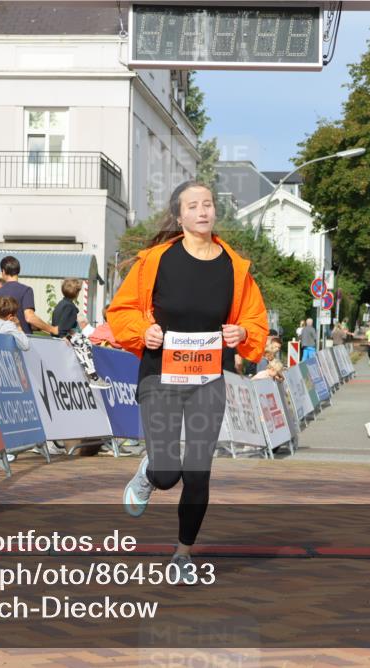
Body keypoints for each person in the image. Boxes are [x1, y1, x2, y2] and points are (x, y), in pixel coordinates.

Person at [107, 180, 268, 584]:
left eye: (208, 204)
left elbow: (254, 319)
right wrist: (144, 331)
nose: (202, 211)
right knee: (167, 473)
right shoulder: (156, 261)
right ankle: (148, 475)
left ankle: (183, 553)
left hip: (207, 382)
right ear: (179, 216)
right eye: (193, 206)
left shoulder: (235, 266)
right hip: (160, 376)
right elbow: (121, 310)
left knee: (198, 471)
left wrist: (242, 335)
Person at [51, 277, 110, 389]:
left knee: (82, 340)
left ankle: (90, 373)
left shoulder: (60, 305)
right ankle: (93, 376)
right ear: (77, 293)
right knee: (85, 342)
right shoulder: (70, 308)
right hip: (63, 336)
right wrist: (64, 336)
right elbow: (63, 326)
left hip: (58, 335)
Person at [0, 255, 58, 336]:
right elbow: (30, 317)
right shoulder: (26, 290)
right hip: (22, 340)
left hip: (2, 339)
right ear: (18, 270)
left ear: (3, 271)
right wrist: (52, 329)